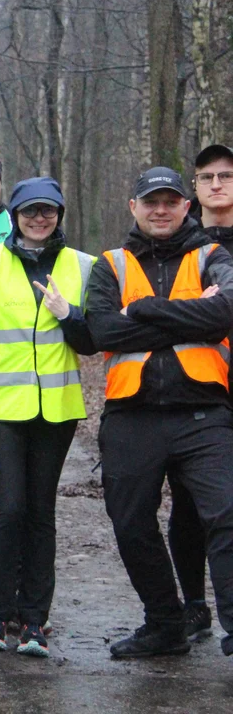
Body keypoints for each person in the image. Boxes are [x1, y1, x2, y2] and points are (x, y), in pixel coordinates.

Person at [87, 166, 233, 659]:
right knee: (130, 523)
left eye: (171, 201)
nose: (161, 209)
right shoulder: (111, 264)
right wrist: (192, 319)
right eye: (151, 202)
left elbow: (225, 313)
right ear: (134, 208)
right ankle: (165, 623)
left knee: (226, 514)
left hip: (204, 413)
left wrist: (144, 310)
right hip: (133, 413)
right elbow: (104, 333)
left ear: (186, 206)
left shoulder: (213, 255)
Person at [0, 176, 95, 656]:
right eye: (31, 211)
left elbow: (92, 341)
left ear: (60, 214)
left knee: (41, 512)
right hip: (4, 412)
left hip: (57, 413)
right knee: (8, 509)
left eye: (49, 211)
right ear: (14, 215)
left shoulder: (83, 266)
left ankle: (35, 619)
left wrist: (68, 314)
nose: (40, 219)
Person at [168, 144, 233, 639]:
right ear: (195, 188)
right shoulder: (176, 243)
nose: (217, 184)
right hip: (199, 389)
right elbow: (151, 311)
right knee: (191, 507)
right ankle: (194, 604)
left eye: (226, 175)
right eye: (207, 176)